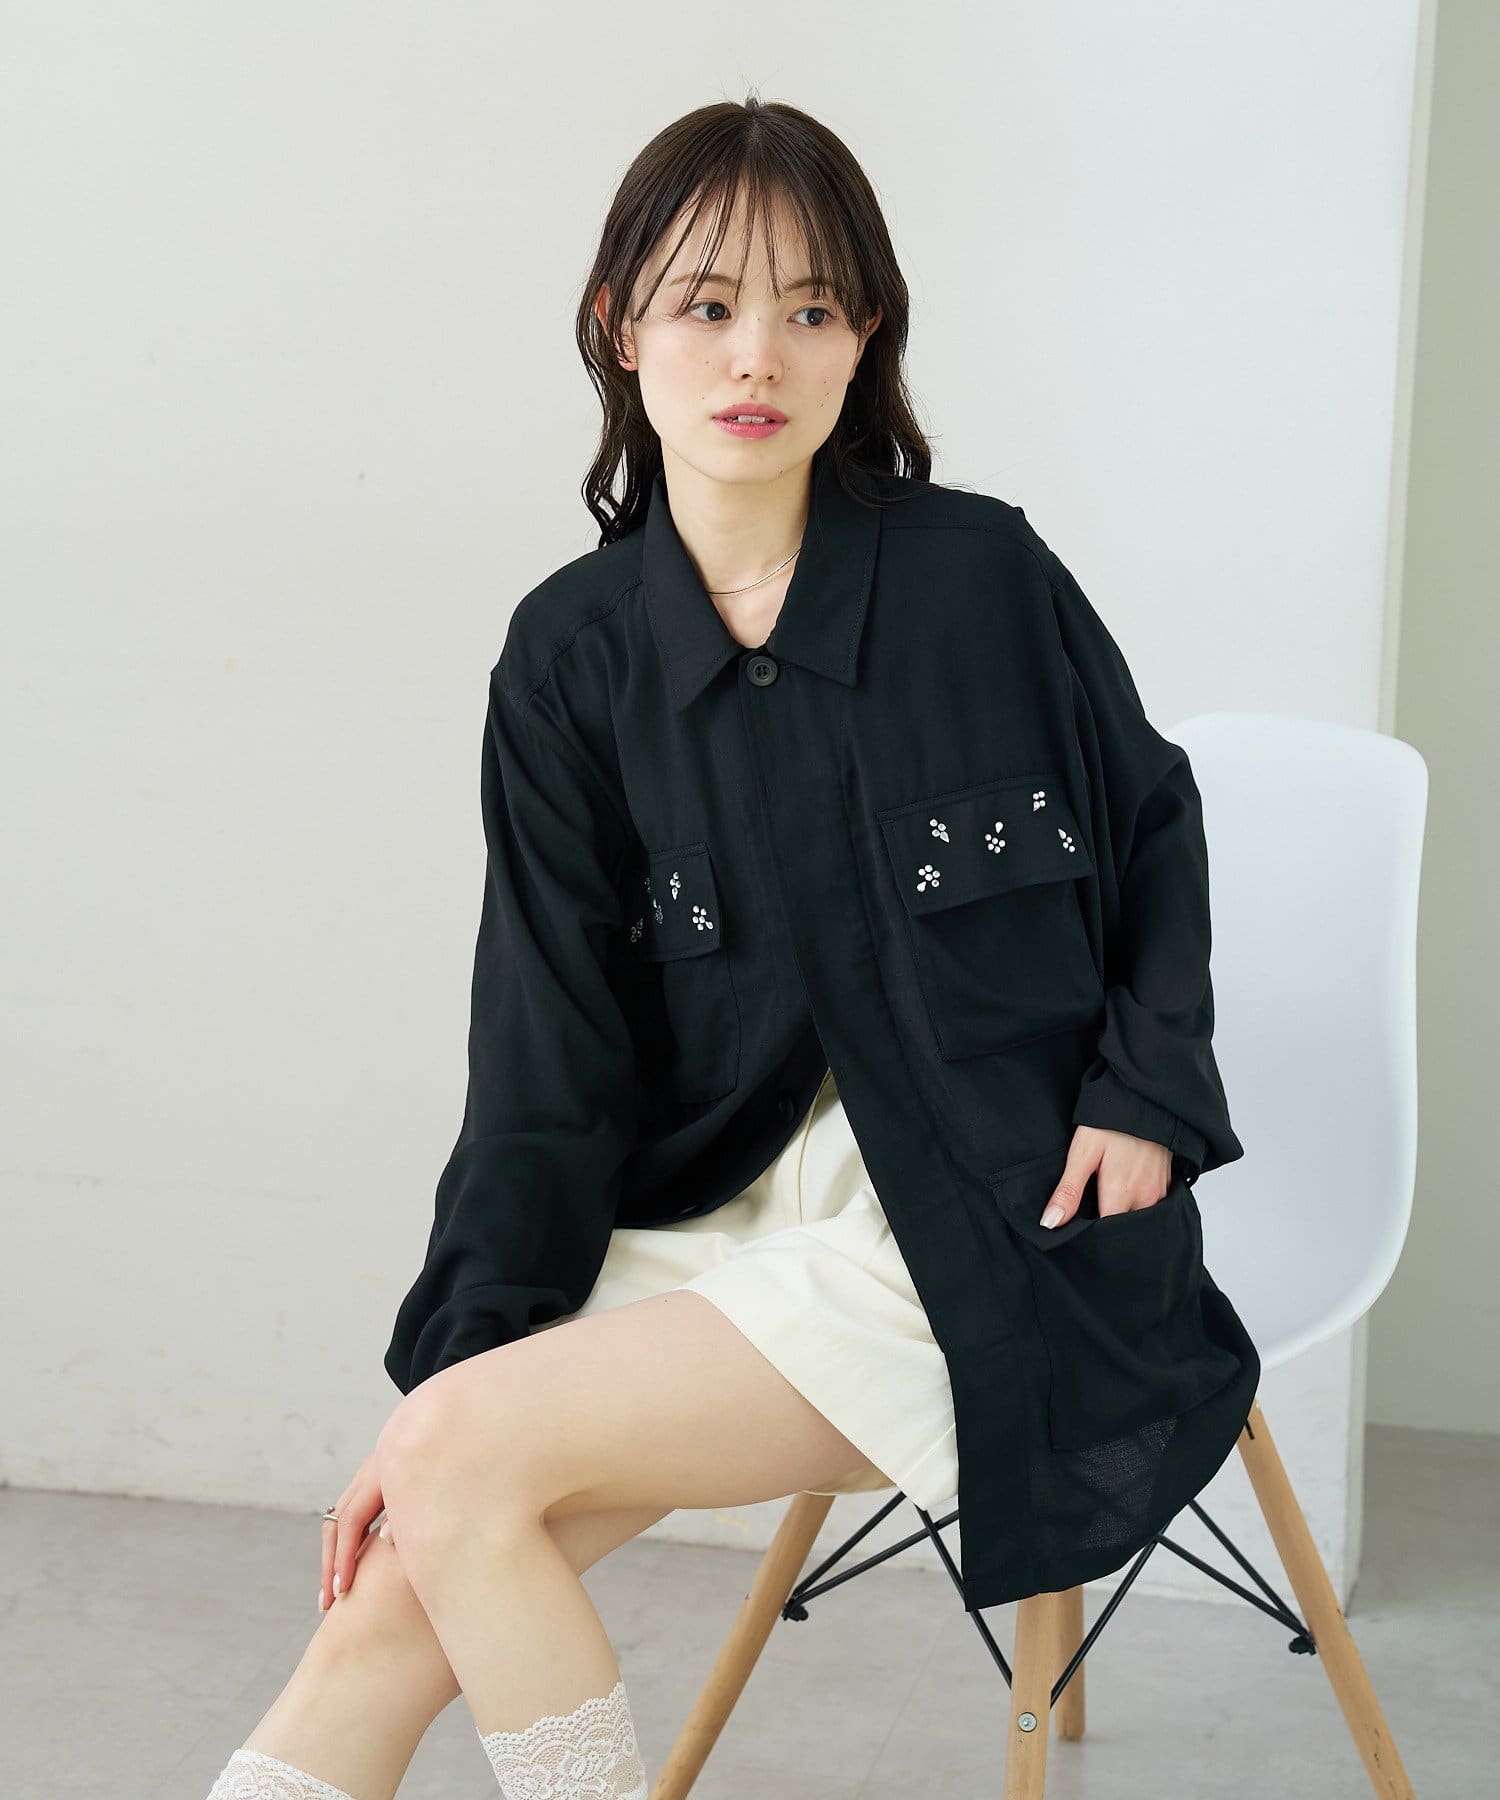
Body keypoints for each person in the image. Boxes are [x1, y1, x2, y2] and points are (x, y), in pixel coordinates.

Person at [205, 93, 1258, 1800]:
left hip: (983, 1224)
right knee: (398, 1589)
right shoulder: (571, 660)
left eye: (812, 307)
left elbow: (1153, 827)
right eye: (705, 304)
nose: (757, 352)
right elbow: (544, 1054)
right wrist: (465, 1365)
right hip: (712, 1220)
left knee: (452, 1475)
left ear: (865, 340)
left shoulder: (983, 579)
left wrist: (1145, 1095)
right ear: (621, 327)